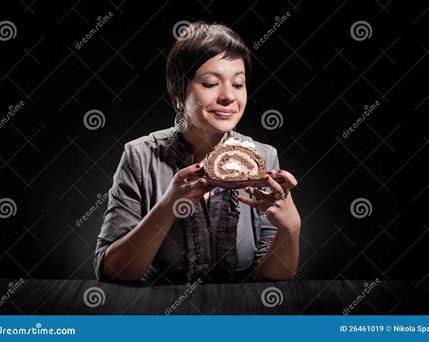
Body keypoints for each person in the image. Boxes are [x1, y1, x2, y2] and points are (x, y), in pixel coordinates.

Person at [94, 21, 301, 284]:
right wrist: (169, 205)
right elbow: (113, 271)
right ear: (180, 91)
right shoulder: (141, 156)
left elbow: (271, 277)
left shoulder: (263, 158)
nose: (228, 96)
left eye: (238, 84)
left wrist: (290, 227)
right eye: (211, 83)